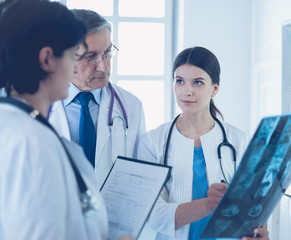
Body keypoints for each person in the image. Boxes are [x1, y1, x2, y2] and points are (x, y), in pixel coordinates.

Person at [0, 0, 109, 239]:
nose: (73, 69)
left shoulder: (15, 124)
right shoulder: (30, 142)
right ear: (47, 59)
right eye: (73, 56)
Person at [137, 47, 269, 240]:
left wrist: (260, 232)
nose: (186, 91)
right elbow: (153, 213)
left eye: (197, 82)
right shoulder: (152, 142)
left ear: (214, 89)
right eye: (179, 81)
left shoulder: (239, 140)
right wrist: (209, 204)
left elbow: (257, 201)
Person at [48, 9, 146, 187]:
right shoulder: (40, 106)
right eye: (91, 56)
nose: (104, 66)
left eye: (108, 52)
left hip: (113, 214)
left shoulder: (131, 106)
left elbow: (140, 177)